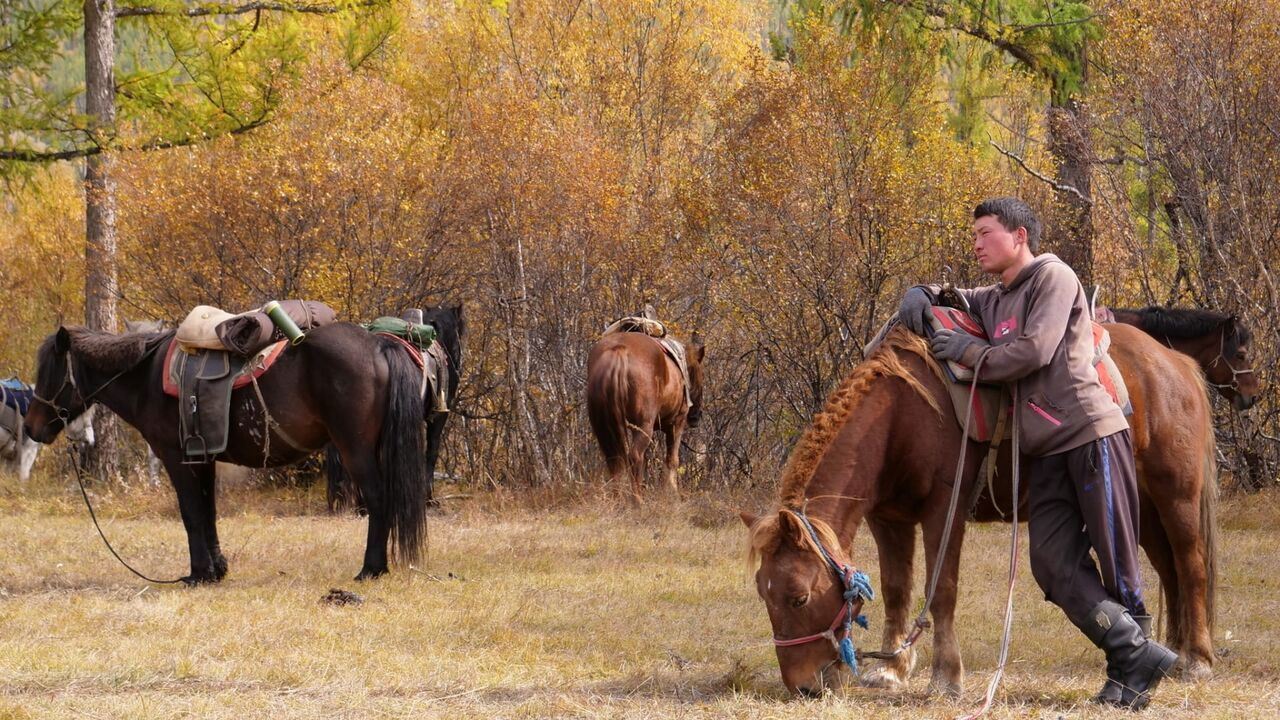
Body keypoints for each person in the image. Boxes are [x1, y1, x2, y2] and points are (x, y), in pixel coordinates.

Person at [897, 197, 1177, 710]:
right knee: (1050, 563)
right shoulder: (995, 295)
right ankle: (1137, 654)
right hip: (1044, 452)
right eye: (974, 234)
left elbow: (1034, 351)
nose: (976, 243)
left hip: (1090, 434)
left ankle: (1129, 674)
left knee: (1117, 558)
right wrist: (922, 292)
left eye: (986, 233)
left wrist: (968, 352)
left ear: (1019, 236)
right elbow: (958, 296)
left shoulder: (1054, 277)